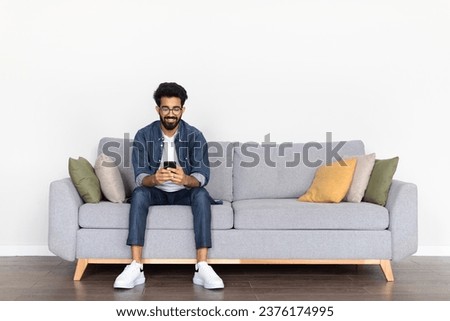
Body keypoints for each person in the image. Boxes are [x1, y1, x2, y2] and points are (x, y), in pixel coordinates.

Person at [113, 82, 224, 290]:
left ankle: (202, 266)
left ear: (182, 110)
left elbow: (202, 174)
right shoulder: (143, 135)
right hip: (156, 192)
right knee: (138, 194)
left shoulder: (195, 136)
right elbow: (140, 176)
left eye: (175, 108)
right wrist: (154, 179)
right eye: (166, 108)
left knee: (201, 194)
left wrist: (186, 180)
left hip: (184, 193)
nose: (170, 114)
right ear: (158, 109)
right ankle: (136, 266)